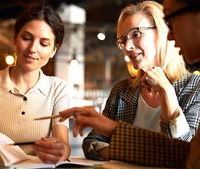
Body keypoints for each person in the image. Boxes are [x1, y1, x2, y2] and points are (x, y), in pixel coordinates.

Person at [59, 0, 200, 168]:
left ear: (161, 32)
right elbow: (91, 143)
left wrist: (166, 92)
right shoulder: (121, 90)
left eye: (136, 34)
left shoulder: (195, 87)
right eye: (123, 40)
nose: (127, 46)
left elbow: (183, 154)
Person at [0, 3, 71, 164]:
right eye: (26, 38)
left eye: (44, 44)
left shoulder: (58, 89)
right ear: (15, 39)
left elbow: (64, 146)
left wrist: (60, 151)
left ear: (53, 50)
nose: (32, 48)